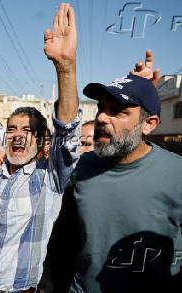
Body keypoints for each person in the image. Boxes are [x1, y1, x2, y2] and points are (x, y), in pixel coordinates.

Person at [0, 4, 82, 292]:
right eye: (12, 130)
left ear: (42, 140)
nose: (18, 137)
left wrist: (65, 68)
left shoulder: (50, 177)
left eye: (28, 131)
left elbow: (69, 130)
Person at [66, 50, 182, 293]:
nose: (101, 118)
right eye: (101, 107)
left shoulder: (176, 174)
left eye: (118, 111)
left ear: (148, 124)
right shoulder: (82, 167)